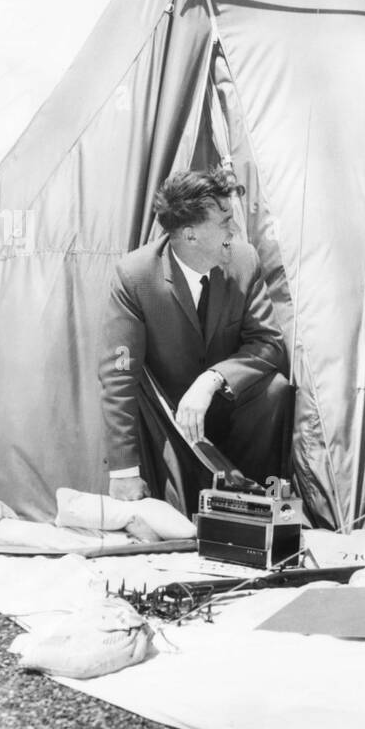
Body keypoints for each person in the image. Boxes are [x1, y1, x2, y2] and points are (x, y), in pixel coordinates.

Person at [98, 167, 290, 507]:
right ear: (189, 235)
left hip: (228, 410)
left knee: (275, 389)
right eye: (224, 222)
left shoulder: (245, 260)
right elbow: (119, 377)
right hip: (169, 425)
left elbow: (269, 343)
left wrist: (213, 379)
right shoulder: (134, 276)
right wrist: (124, 473)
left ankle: (256, 504)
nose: (234, 230)